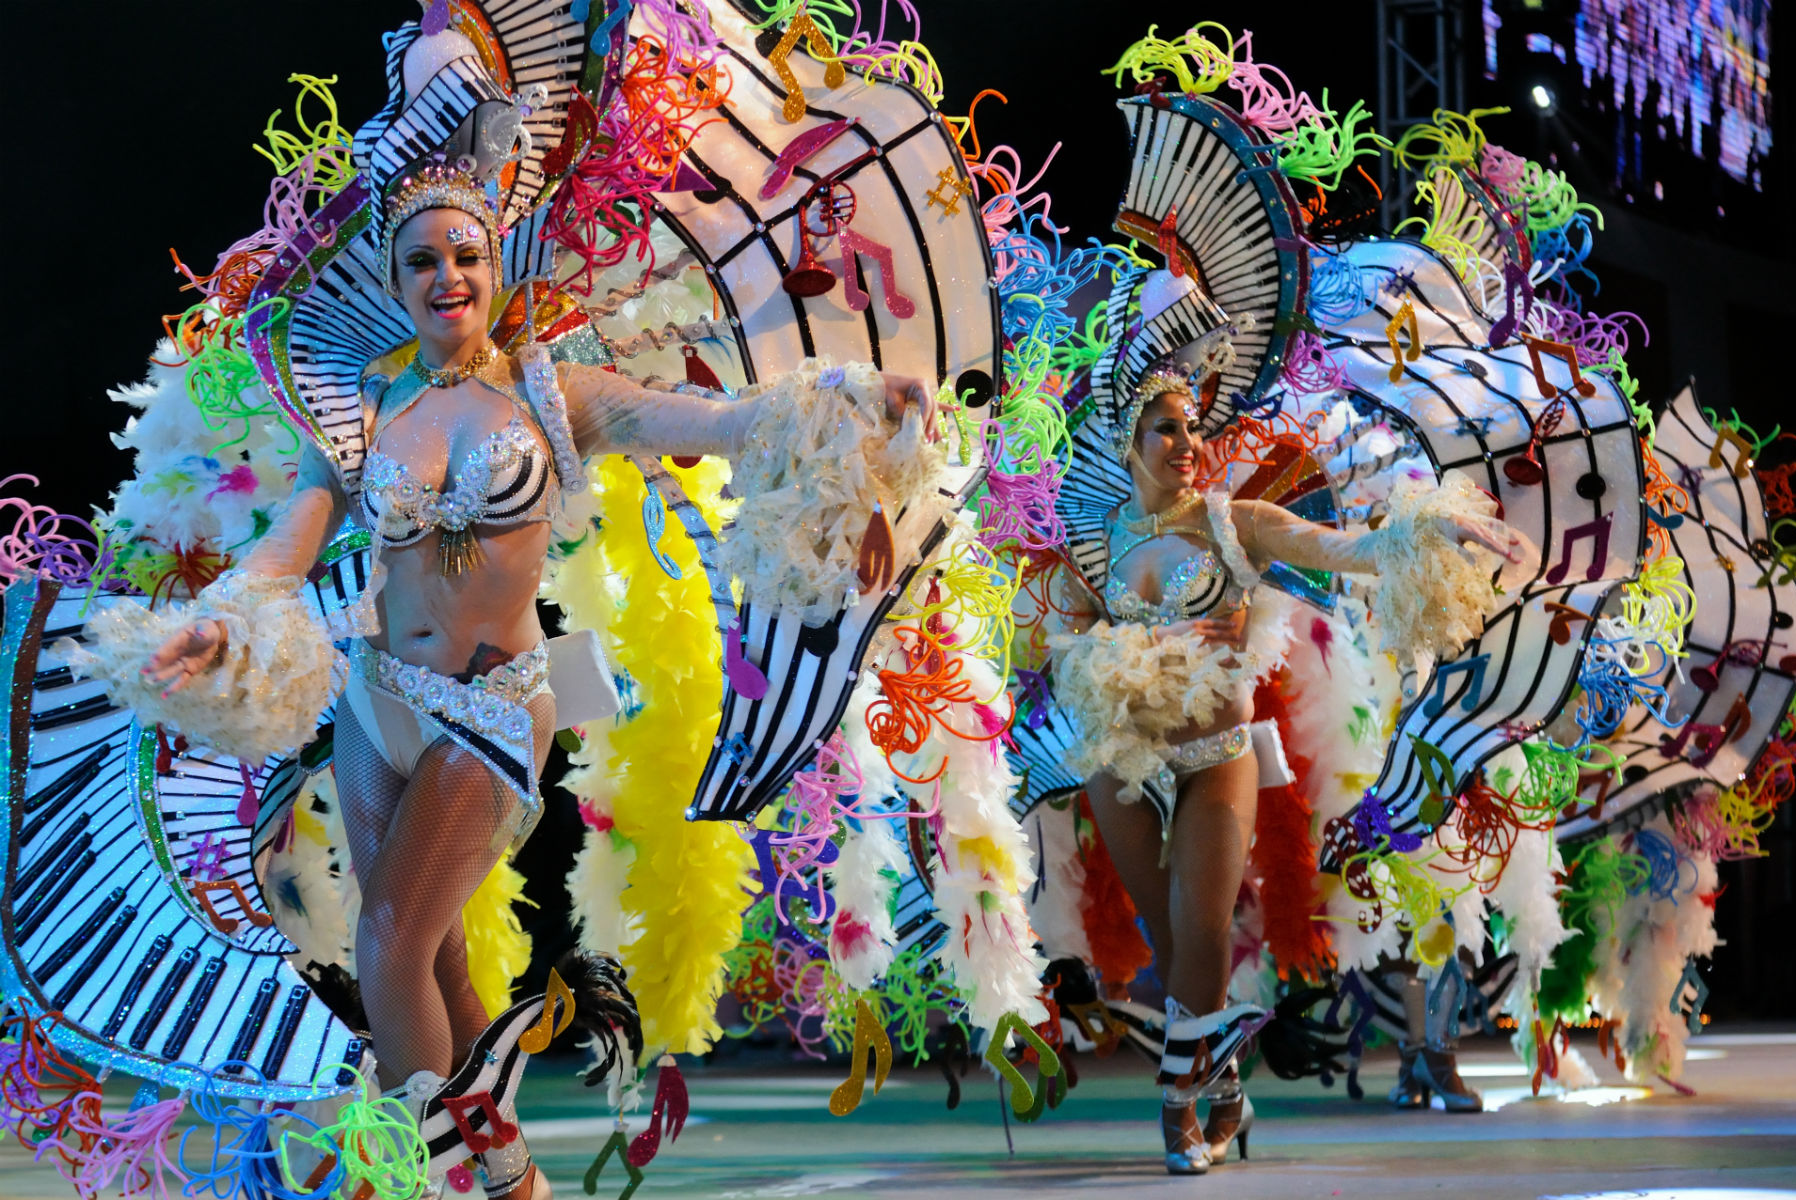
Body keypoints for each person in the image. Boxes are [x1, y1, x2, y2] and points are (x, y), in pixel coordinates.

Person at [100, 154, 941, 1200]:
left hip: (493, 712)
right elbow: (297, 533)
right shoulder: (362, 402)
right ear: (397, 280)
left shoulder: (555, 393)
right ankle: (502, 1168)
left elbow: (718, 424)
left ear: (496, 264)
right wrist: (223, 620)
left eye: (466, 254)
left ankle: (432, 1175)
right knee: (439, 951)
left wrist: (855, 400)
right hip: (379, 700)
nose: (447, 275)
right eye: (422, 261)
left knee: (388, 940)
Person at [1043, 270, 1519, 1174]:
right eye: (1166, 429)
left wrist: (1428, 533)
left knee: (1209, 928)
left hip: (1218, 755)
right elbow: (1066, 644)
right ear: (1130, 439)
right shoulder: (1097, 538)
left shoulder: (1236, 525)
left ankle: (1179, 1108)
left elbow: (1352, 549)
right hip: (1122, 766)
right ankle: (1226, 1087)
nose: (1188, 444)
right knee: (1173, 941)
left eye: (1192, 427)